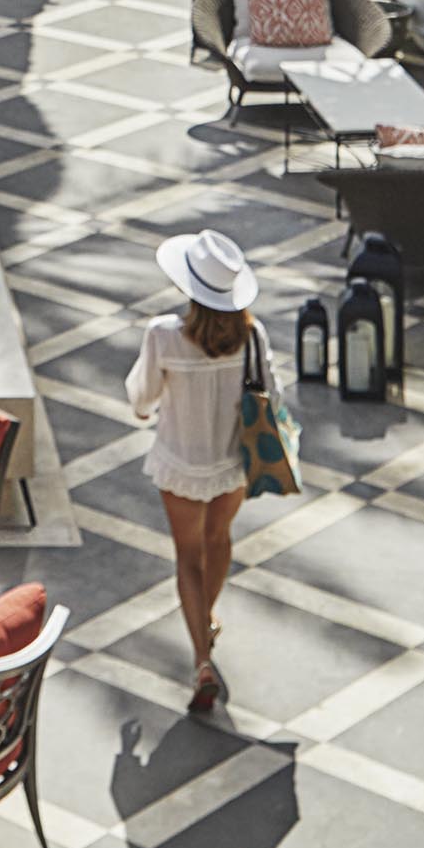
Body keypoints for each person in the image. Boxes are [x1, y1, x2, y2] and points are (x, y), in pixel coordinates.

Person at [126, 229, 280, 715]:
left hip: (180, 463)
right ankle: (207, 621)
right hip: (232, 462)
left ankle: (201, 659)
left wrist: (149, 407)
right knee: (219, 541)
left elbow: (142, 398)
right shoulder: (252, 336)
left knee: (188, 556)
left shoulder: (163, 335)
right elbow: (273, 396)